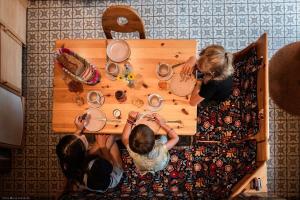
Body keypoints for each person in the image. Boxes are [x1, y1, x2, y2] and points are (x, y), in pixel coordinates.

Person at [56, 114, 123, 193]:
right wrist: (102, 145)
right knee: (110, 138)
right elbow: (110, 165)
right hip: (110, 174)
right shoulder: (94, 166)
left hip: (94, 169)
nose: (82, 136)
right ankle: (119, 137)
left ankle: (116, 137)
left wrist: (78, 130)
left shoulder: (67, 156)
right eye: (82, 140)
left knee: (106, 139)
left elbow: (73, 144)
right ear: (84, 152)